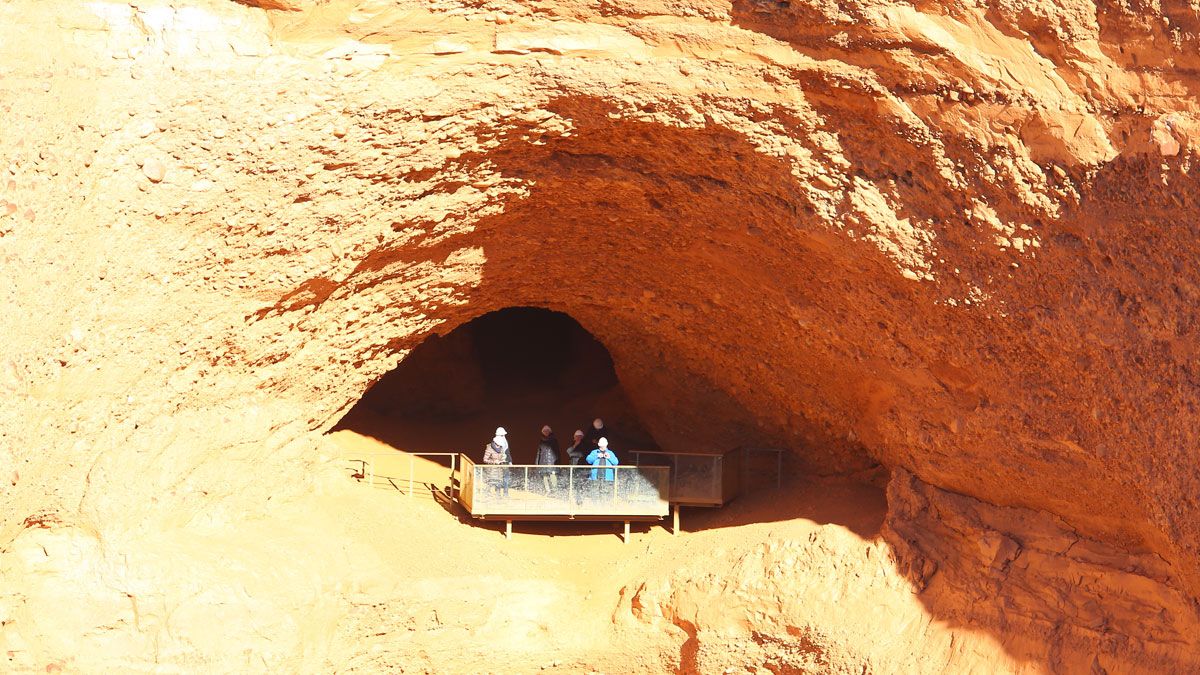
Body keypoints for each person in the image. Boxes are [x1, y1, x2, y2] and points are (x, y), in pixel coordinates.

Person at [482, 426, 512, 497]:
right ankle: (487, 495)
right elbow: (485, 459)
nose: (503, 436)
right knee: (490, 483)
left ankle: (501, 495)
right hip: (492, 470)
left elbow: (507, 453)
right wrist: (495, 461)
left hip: (499, 470)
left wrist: (505, 459)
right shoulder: (490, 447)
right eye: (502, 435)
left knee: (499, 483)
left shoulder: (502, 446)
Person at [535, 425, 560, 494]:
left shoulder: (554, 441)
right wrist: (536, 464)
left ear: (550, 431)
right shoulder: (541, 442)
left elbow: (557, 453)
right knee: (545, 477)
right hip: (543, 462)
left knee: (553, 476)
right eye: (544, 431)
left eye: (547, 431)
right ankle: (547, 490)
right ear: (542, 432)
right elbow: (538, 453)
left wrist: (557, 464)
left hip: (552, 463)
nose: (546, 432)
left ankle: (555, 490)